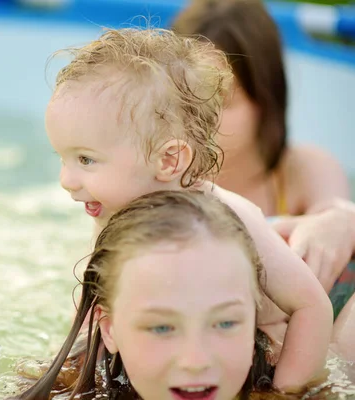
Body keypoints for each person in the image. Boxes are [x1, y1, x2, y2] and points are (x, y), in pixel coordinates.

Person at [43, 26, 335, 391]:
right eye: (64, 158)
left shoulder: (230, 218)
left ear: (169, 159)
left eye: (86, 159)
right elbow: (98, 297)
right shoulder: (110, 211)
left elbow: (312, 308)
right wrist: (66, 364)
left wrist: (286, 390)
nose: (66, 180)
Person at [14, 190, 324, 400]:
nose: (196, 361)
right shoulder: (66, 385)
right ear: (109, 330)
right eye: (162, 328)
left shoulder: (291, 387)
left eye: (226, 323)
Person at [171, 0, 355, 325]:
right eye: (184, 99)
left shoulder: (299, 170)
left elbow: (336, 212)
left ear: (265, 97)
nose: (197, 119)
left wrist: (338, 219)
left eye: (220, 102)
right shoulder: (162, 174)